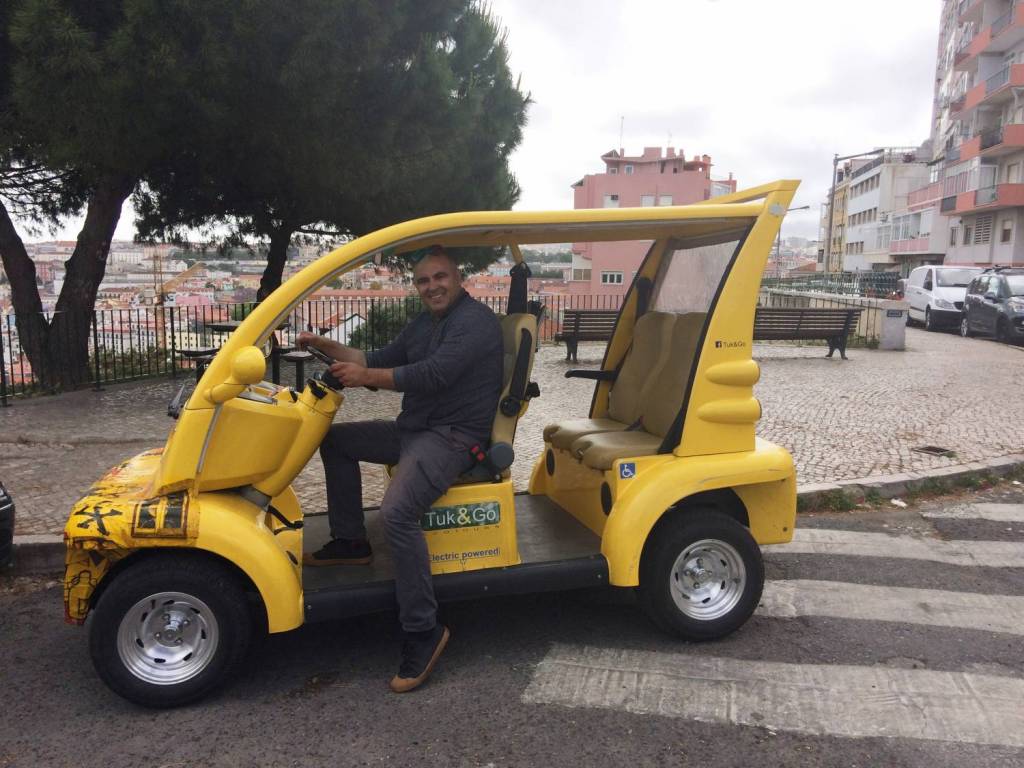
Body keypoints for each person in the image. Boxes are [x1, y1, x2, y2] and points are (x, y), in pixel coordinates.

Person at [297, 245, 503, 693]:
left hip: (453, 437)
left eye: (439, 277)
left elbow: (432, 375)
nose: (432, 286)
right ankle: (351, 541)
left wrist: (366, 378)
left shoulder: (475, 323)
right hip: (415, 429)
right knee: (335, 439)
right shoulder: (427, 323)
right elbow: (378, 357)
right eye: (423, 280)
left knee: (396, 514)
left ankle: (423, 629)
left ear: (458, 276)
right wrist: (324, 346)